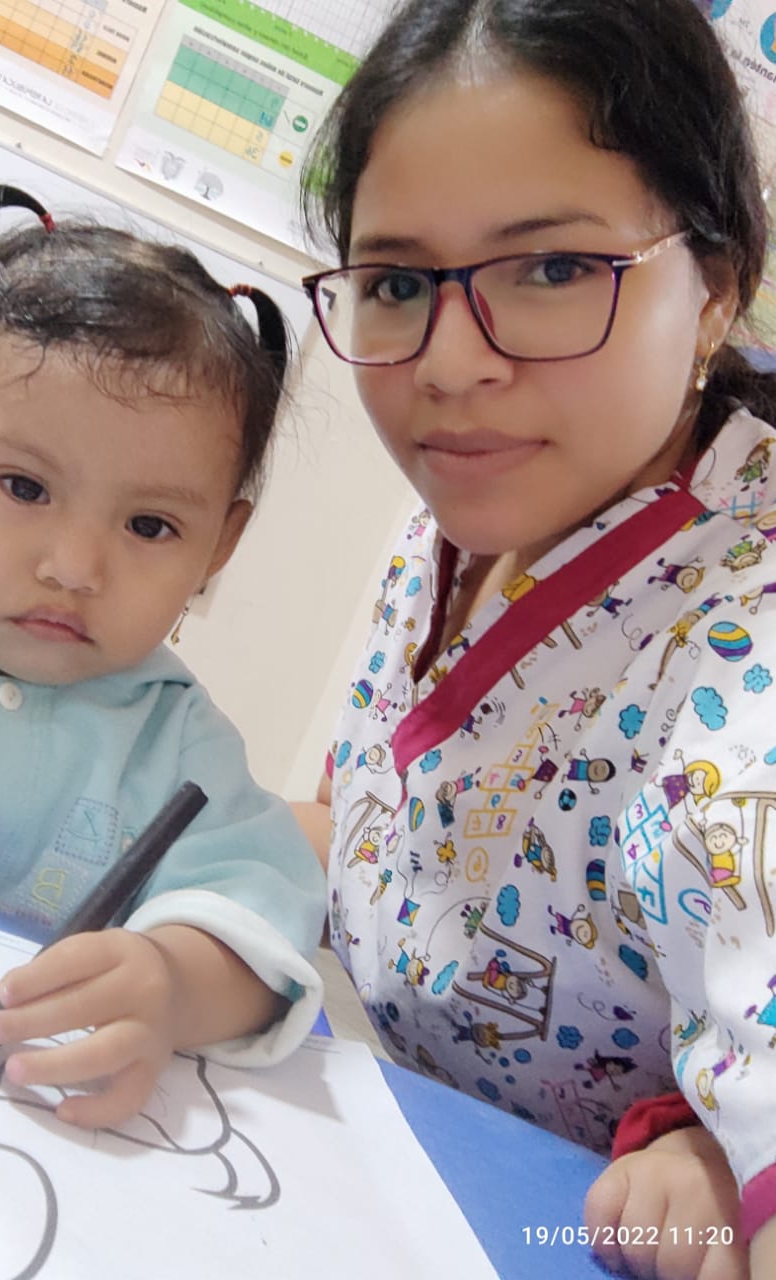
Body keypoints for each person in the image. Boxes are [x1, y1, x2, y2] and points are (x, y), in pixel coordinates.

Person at [294, 1, 776, 1276]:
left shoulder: (745, 644)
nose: (450, 364)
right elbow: (381, 833)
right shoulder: (464, 525)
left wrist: (729, 1150)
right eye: (398, 284)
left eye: (553, 269)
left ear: (716, 286)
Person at [0, 184, 325, 1132]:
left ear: (218, 546)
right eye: (23, 486)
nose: (75, 568)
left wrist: (174, 979)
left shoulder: (180, 743)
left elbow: (264, 916)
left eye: (150, 525)